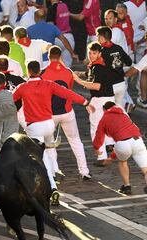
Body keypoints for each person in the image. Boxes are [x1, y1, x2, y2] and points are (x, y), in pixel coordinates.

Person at [13, 60, 94, 205]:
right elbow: (67, 93)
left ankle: (48, 187)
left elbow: (9, 100)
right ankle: (52, 181)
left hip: (34, 127)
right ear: (39, 71)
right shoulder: (49, 85)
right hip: (49, 124)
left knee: (39, 158)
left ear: (28, 71)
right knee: (47, 152)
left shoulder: (22, 87)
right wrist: (85, 102)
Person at [93, 101, 147, 206]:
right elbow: (135, 129)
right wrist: (112, 157)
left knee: (123, 161)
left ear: (104, 110)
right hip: (137, 140)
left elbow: (99, 136)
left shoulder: (104, 119)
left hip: (121, 143)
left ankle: (127, 186)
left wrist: (97, 149)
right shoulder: (124, 115)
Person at [41, 46, 91, 180]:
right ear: (60, 56)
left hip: (50, 113)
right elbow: (69, 89)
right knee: (76, 141)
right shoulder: (68, 72)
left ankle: (54, 170)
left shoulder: (43, 73)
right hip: (67, 111)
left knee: (49, 143)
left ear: (48, 56)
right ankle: (84, 170)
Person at [73, 42, 116, 166]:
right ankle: (110, 145)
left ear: (99, 53)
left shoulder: (97, 67)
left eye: (94, 53)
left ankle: (101, 156)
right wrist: (81, 74)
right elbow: (93, 77)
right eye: (90, 53)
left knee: (96, 128)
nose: (91, 55)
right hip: (109, 98)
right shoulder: (98, 65)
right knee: (107, 125)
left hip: (100, 99)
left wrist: (78, 80)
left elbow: (96, 86)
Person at [96, 26, 132, 107]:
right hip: (121, 84)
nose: (97, 39)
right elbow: (129, 62)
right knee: (120, 108)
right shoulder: (118, 48)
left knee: (107, 110)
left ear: (101, 37)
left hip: (109, 86)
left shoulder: (100, 52)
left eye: (97, 36)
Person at [47, 0, 75, 68]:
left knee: (55, 66)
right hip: (69, 38)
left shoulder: (52, 9)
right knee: (67, 67)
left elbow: (50, 27)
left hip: (58, 39)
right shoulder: (65, 5)